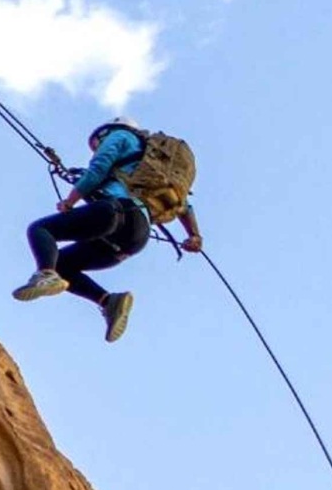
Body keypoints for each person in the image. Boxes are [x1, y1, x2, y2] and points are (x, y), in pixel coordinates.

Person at [12, 117, 203, 343]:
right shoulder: (153, 171)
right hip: (136, 237)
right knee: (62, 265)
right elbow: (184, 205)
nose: (95, 149)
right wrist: (194, 235)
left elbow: (98, 168)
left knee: (40, 229)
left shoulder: (121, 136)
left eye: (95, 144)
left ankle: (45, 274)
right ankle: (109, 302)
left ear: (107, 132)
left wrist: (70, 201)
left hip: (117, 212)